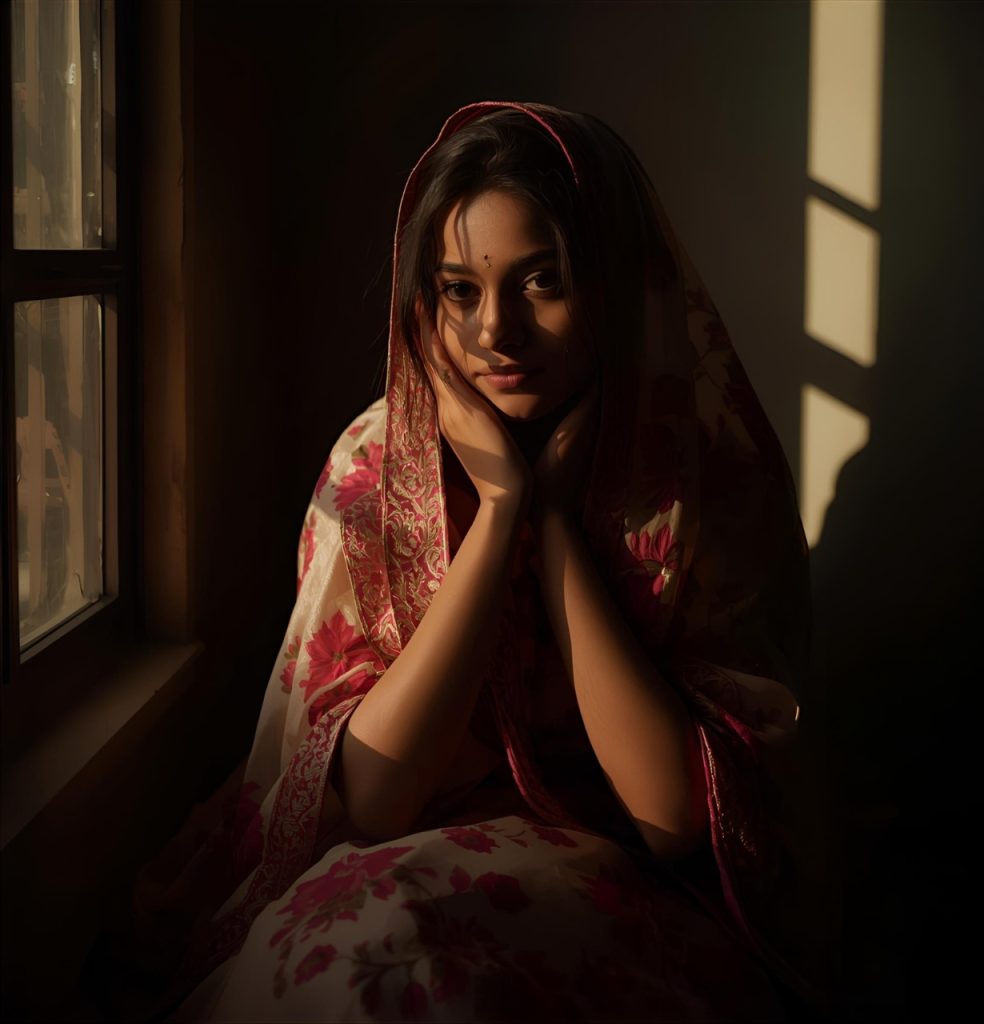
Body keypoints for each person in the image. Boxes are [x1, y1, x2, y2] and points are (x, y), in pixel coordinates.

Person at [138, 100, 824, 1022]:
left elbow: (671, 818)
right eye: (460, 290)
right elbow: (379, 799)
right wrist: (500, 511)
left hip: (620, 884)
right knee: (378, 969)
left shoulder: (703, 479)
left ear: (619, 284)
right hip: (391, 866)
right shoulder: (375, 469)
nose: (495, 331)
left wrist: (555, 535)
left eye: (542, 282)